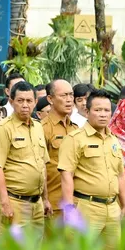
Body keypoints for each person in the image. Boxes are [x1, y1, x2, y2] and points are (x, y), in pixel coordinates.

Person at [58, 91, 125, 250]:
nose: (103, 114)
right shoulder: (75, 138)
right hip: (86, 207)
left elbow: (120, 175)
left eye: (106, 110)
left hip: (111, 208)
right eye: (97, 110)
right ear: (87, 112)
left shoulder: (113, 140)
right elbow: (66, 174)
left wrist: (124, 205)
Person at [0, 81, 51, 236]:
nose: (25, 105)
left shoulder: (37, 127)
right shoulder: (4, 128)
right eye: (20, 100)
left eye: (29, 101)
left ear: (36, 102)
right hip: (13, 201)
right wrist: (5, 203)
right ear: (11, 101)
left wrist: (45, 199)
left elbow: (42, 165)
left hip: (36, 204)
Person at [42, 79, 79, 214]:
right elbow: (40, 167)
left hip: (76, 202)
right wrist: (44, 199)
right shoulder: (42, 129)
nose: (69, 100)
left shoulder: (76, 129)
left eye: (71, 95)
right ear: (50, 99)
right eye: (63, 96)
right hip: (54, 202)